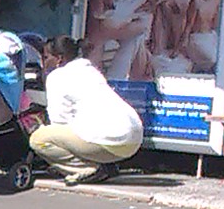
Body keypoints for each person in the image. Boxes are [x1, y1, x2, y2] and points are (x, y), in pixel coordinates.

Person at [33, 34, 144, 186]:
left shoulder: (57, 76)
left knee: (39, 139)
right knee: (79, 133)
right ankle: (104, 165)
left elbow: (59, 122)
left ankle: (85, 169)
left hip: (111, 138)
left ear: (59, 59)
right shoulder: (90, 70)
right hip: (134, 137)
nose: (43, 62)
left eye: (46, 57)